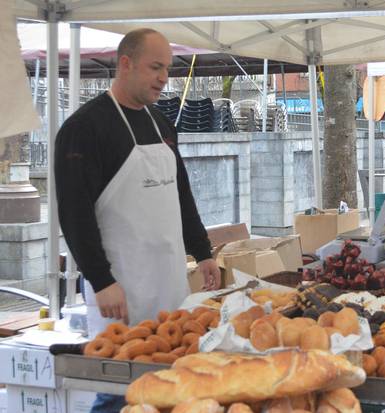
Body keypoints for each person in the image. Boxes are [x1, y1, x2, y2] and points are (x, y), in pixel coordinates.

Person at [55, 28, 221, 413]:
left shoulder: (162, 124)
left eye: (167, 68)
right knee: (120, 391)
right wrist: (101, 280)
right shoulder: (83, 129)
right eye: (155, 67)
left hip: (168, 282)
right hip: (121, 290)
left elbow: (180, 194)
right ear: (125, 64)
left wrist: (202, 251)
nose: (164, 77)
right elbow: (74, 214)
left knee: (166, 386)